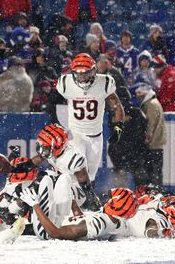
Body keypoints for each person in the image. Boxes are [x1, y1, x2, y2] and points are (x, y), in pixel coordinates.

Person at [53, 53, 124, 188]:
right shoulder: (65, 83)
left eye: (85, 73)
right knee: (75, 171)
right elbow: (53, 103)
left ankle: (85, 201)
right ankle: (70, 201)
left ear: (93, 71)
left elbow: (116, 106)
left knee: (90, 176)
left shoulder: (104, 83)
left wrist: (118, 127)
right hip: (75, 134)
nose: (82, 77)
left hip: (95, 135)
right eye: (78, 74)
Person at [20, 187, 138, 240]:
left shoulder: (98, 224)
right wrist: (73, 201)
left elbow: (54, 233)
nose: (107, 201)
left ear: (115, 207)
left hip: (47, 230)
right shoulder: (118, 223)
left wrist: (35, 205)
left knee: (47, 182)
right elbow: (81, 219)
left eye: (110, 200)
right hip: (58, 222)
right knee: (65, 179)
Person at [107, 98, 147, 188]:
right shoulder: (136, 111)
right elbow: (144, 125)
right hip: (134, 148)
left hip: (118, 148)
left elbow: (111, 127)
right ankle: (141, 194)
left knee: (120, 173)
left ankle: (120, 195)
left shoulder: (113, 112)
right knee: (138, 174)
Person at [134, 84, 166, 187]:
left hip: (153, 143)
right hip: (156, 142)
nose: (137, 95)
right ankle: (156, 190)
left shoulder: (150, 104)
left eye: (139, 93)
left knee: (153, 170)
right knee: (156, 170)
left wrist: (148, 136)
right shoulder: (154, 102)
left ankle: (155, 191)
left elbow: (151, 122)